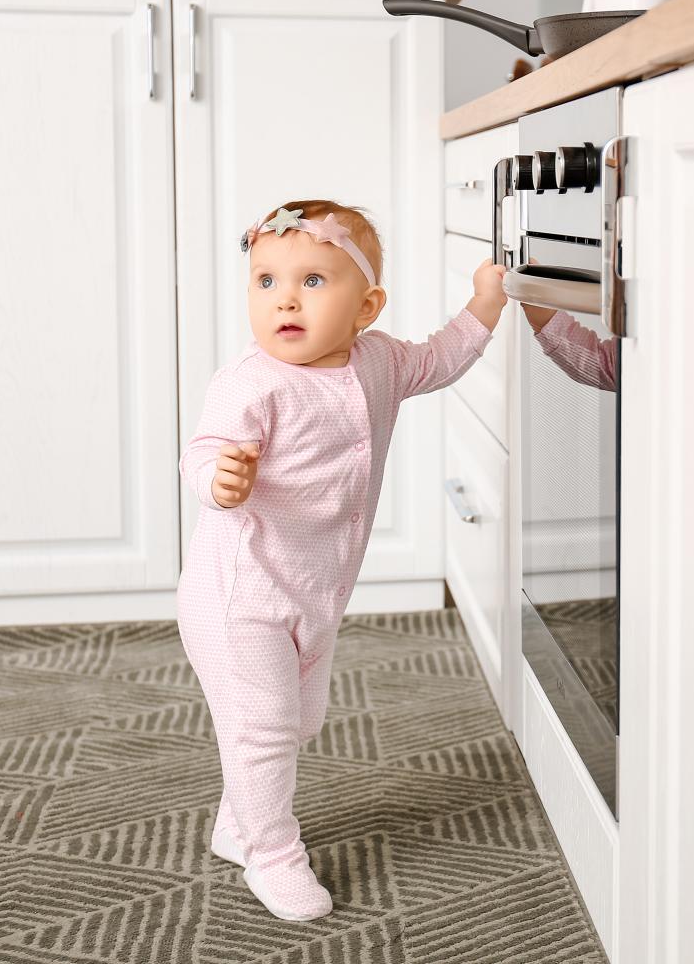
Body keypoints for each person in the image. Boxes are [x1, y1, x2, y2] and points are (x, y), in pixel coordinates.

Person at [175, 198, 506, 922]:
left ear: (366, 306)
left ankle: (238, 821)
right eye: (265, 280)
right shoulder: (251, 383)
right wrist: (217, 479)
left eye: (313, 281)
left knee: (299, 720)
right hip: (238, 598)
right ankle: (272, 851)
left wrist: (484, 304)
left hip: (316, 591)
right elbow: (200, 453)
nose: (284, 299)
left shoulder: (380, 360)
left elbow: (440, 358)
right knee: (263, 723)